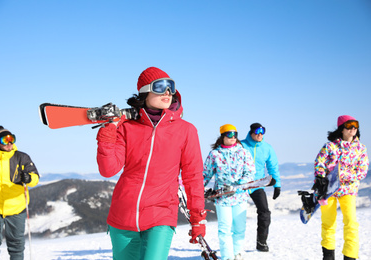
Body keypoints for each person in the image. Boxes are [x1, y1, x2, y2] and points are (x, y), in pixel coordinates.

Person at [96, 67, 206, 260]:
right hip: (122, 215)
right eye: (160, 86)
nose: (167, 92)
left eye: (170, 86)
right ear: (145, 92)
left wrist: (197, 218)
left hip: (161, 214)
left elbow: (193, 177)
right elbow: (108, 169)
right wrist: (109, 132)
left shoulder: (186, 130)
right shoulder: (127, 127)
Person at [314, 115, 368, 260]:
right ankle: (328, 257)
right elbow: (319, 164)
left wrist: (341, 174)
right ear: (342, 129)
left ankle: (350, 257)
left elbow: (361, 171)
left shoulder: (361, 149)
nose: (353, 128)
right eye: (349, 125)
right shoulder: (329, 146)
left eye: (355, 125)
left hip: (348, 190)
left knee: (351, 223)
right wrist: (320, 178)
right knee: (328, 223)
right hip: (329, 190)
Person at [203, 124, 256, 260]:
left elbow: (250, 172)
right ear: (222, 136)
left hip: (239, 195)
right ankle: (227, 257)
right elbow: (206, 174)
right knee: (224, 229)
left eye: (235, 135)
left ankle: (237, 253)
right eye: (230, 134)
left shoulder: (243, 152)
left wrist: (238, 185)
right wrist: (198, 189)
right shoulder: (215, 154)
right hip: (222, 197)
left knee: (239, 228)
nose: (233, 137)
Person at [0, 126, 40, 259]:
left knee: (16, 245)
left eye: (11, 139)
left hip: (17, 207)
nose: (9, 143)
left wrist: (29, 178)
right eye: (5, 139)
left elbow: (35, 178)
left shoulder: (21, 157)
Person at [241, 123, 281, 252]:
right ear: (251, 132)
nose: (260, 135)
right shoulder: (241, 145)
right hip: (241, 185)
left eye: (262, 132)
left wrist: (277, 185)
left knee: (265, 212)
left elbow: (272, 166)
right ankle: (235, 244)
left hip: (257, 185)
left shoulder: (267, 148)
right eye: (257, 132)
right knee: (238, 214)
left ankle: (261, 242)